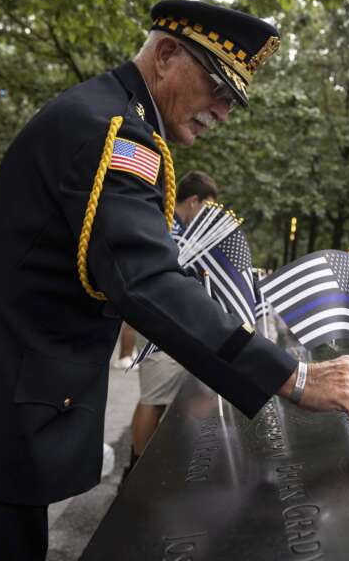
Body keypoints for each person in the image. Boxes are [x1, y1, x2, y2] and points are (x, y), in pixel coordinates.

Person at [0, 0, 349, 560]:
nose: (222, 112)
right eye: (218, 89)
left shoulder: (114, 116)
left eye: (233, 103)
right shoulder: (115, 134)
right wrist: (291, 375)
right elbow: (146, 281)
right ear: (167, 54)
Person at [124, 170, 219, 477]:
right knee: (153, 398)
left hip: (167, 323)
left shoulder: (174, 225)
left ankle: (140, 467)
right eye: (208, 207)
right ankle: (136, 471)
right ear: (193, 201)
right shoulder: (167, 226)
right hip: (156, 322)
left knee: (158, 398)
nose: (209, 216)